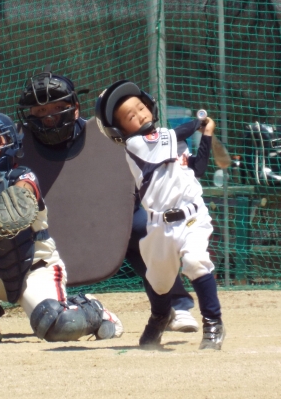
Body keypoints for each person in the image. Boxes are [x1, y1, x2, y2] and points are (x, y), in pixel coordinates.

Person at [17, 71, 199, 333]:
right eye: (40, 110)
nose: (49, 116)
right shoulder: (18, 145)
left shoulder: (107, 134)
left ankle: (176, 305)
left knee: (144, 227)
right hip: (47, 230)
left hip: (105, 217)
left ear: (75, 108)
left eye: (56, 107)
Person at [0, 112, 123, 344]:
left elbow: (26, 187)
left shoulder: (23, 175)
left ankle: (94, 310)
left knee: (60, 326)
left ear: (10, 142)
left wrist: (16, 200)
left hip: (35, 270)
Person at [94, 80, 225, 350]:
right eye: (130, 116)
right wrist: (198, 122)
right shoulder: (136, 145)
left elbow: (198, 169)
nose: (140, 115)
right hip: (159, 225)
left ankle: (213, 322)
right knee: (160, 282)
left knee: (196, 261)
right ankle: (160, 317)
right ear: (120, 131)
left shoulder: (171, 141)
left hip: (192, 217)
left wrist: (207, 135)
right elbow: (179, 132)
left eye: (141, 108)